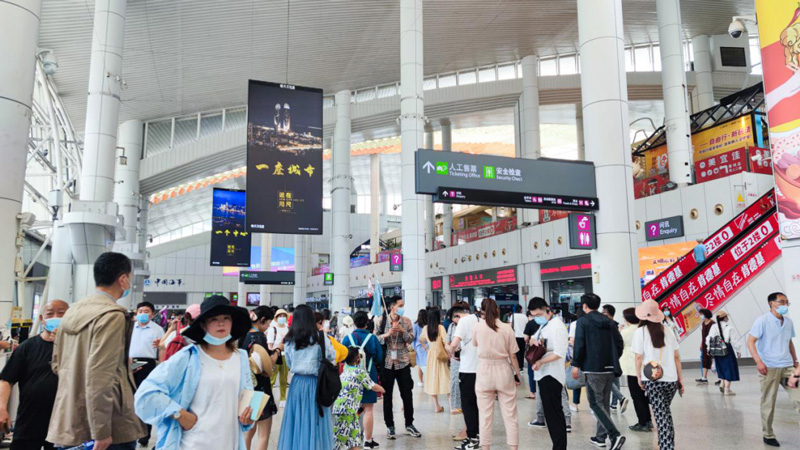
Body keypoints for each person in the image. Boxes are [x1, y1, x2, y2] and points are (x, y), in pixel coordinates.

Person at [47, 252, 146, 450]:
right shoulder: (111, 316)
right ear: (123, 279)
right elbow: (100, 376)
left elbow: (57, 364)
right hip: (109, 426)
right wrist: (101, 432)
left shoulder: (72, 312)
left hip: (69, 419)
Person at [134, 295, 255, 449]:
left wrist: (249, 416)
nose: (221, 323)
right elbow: (147, 393)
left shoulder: (241, 357)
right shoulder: (188, 356)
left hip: (229, 442)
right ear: (203, 325)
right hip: (194, 442)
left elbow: (247, 396)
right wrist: (180, 414)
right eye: (214, 319)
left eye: (226, 318)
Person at [0, 300, 68, 450]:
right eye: (50, 313)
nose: (55, 317)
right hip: (30, 420)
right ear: (42, 319)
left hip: (64, 422)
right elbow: (6, 380)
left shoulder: (75, 348)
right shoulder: (27, 347)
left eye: (61, 313)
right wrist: (2, 408)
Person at [570, 293, 626, 450]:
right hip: (610, 369)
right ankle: (600, 437)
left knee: (595, 404)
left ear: (585, 306)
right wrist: (613, 358)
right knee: (604, 404)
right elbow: (619, 343)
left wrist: (576, 364)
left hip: (593, 369)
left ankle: (614, 435)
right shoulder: (609, 322)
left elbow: (579, 344)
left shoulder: (583, 321)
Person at [277, 305, 337, 449]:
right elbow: (331, 356)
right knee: (316, 420)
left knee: (297, 419)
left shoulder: (289, 339)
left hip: (297, 383)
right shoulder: (320, 336)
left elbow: (289, 363)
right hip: (317, 383)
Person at [747, 292, 800, 447]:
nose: (785, 305)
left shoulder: (788, 322)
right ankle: (768, 434)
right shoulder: (762, 321)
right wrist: (759, 362)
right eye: (781, 302)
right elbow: (750, 341)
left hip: (788, 366)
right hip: (769, 367)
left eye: (787, 302)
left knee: (798, 396)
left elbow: (789, 342)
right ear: (771, 303)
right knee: (768, 402)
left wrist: (795, 361)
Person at [632, 300, 685, 450]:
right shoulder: (667, 330)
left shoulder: (640, 332)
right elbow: (676, 356)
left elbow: (638, 357)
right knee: (664, 412)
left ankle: (667, 446)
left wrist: (638, 376)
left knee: (662, 415)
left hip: (652, 380)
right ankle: (667, 444)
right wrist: (680, 379)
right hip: (671, 380)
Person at [473, 298, 520, 450]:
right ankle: (513, 448)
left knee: (485, 415)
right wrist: (517, 374)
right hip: (503, 369)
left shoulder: (477, 327)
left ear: (482, 311)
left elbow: (475, 344)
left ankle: (485, 447)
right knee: (510, 414)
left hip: (484, 371)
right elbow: (513, 355)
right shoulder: (507, 328)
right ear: (498, 310)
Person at [375, 296, 421, 439]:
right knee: (387, 395)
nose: (402, 308)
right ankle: (390, 426)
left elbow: (411, 339)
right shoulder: (381, 321)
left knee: (407, 394)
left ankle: (409, 424)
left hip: (403, 362)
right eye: (400, 305)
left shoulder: (406, 321)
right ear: (392, 307)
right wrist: (387, 334)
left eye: (403, 305)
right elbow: (375, 339)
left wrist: (402, 331)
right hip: (387, 363)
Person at [528, 298, 568, 450]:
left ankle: (559, 446)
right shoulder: (545, 325)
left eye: (538, 314)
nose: (536, 318)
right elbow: (534, 339)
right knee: (550, 414)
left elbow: (559, 353)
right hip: (543, 374)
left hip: (552, 374)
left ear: (547, 310)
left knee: (554, 414)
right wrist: (533, 341)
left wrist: (540, 362)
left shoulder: (557, 326)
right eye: (533, 316)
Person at [342, 311, 384, 449]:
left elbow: (341, 358)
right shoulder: (372, 338)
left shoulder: (347, 338)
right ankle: (368, 441)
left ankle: (352, 438)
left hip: (350, 377)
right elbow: (379, 358)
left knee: (352, 408)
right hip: (368, 374)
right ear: (367, 323)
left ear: (354, 323)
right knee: (368, 409)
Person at [240, 306, 279, 450]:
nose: (268, 326)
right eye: (268, 323)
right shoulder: (259, 337)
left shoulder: (243, 335)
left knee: (248, 432)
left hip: (248, 388)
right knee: (263, 434)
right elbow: (267, 363)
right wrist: (278, 350)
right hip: (260, 390)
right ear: (262, 320)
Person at [333, 347, 386, 450]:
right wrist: (383, 390)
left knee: (345, 438)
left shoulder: (344, 372)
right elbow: (372, 386)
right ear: (358, 359)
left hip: (339, 408)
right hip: (349, 411)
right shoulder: (360, 372)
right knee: (350, 439)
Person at [130, 301, 165, 448]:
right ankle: (130, 434)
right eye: (140, 311)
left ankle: (145, 434)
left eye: (146, 311)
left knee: (145, 399)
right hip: (130, 363)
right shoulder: (130, 327)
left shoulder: (157, 329)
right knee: (129, 399)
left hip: (147, 364)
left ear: (152, 314)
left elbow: (162, 349)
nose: (143, 314)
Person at [620, 308, 652, 432]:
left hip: (632, 367)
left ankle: (642, 423)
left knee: (636, 396)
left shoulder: (626, 332)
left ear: (627, 319)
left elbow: (619, 345)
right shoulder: (645, 329)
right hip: (646, 366)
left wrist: (620, 331)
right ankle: (648, 420)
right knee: (643, 395)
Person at [420, 308, 451, 413]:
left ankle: (436, 406)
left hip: (431, 355)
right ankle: (451, 406)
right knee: (446, 378)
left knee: (432, 378)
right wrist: (450, 354)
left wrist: (427, 348)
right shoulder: (440, 327)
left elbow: (421, 340)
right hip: (440, 355)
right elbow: (446, 343)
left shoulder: (425, 328)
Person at [705, 311, 741, 396]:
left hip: (717, 350)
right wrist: (738, 350)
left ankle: (722, 384)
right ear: (724, 318)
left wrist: (708, 349)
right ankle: (727, 390)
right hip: (727, 350)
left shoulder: (714, 326)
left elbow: (709, 338)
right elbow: (734, 341)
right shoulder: (729, 328)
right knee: (729, 368)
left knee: (721, 368)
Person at [602, 304, 628, 413]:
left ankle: (620, 398)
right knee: (615, 379)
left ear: (608, 314)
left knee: (607, 380)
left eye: (604, 312)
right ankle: (614, 405)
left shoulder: (610, 325)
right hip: (615, 357)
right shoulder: (615, 325)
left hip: (608, 357)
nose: (602, 314)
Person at [267, 309, 290, 406]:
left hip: (285, 355)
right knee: (272, 378)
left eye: (284, 316)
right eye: (280, 316)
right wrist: (271, 356)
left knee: (284, 378)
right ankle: (269, 398)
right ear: (276, 318)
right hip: (275, 355)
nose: (282, 318)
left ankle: (283, 398)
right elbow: (270, 344)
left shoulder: (288, 329)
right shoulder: (273, 329)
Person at [522, 303, 540, 401]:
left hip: (532, 350)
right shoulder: (545, 322)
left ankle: (532, 392)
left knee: (531, 371)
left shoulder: (529, 324)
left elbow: (525, 338)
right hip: (543, 350)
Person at [697, 309, 715, 383]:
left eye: (701, 314)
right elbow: (703, 336)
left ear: (706, 314)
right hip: (705, 345)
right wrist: (701, 344)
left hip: (712, 344)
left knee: (713, 360)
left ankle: (721, 378)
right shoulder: (703, 323)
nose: (700, 316)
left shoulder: (713, 323)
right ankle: (704, 377)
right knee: (704, 360)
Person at [412, 309, 429, 388]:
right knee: (427, 363)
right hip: (428, 346)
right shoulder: (428, 325)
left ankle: (420, 381)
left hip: (419, 347)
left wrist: (414, 347)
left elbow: (413, 337)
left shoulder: (415, 325)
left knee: (419, 364)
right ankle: (429, 380)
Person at [510, 304, 528, 375]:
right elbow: (527, 325)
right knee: (522, 352)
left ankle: (516, 367)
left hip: (515, 336)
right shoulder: (524, 316)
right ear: (521, 309)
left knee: (516, 352)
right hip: (523, 337)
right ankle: (521, 367)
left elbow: (510, 326)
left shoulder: (513, 316)